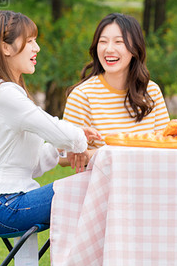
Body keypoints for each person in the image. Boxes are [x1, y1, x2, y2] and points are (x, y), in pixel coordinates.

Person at [0, 10, 100, 234]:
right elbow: (52, 127)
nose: (37, 48)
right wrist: (77, 139)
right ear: (6, 47)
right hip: (5, 205)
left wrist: (66, 145)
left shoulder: (6, 91)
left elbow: (32, 165)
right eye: (30, 41)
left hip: (10, 201)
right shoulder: (3, 93)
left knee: (95, 188)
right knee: (96, 187)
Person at [62, 13, 170, 166]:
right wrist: (115, 152)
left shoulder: (151, 91)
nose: (109, 49)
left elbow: (168, 144)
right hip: (102, 184)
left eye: (119, 42)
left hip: (149, 181)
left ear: (135, 49)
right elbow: (63, 156)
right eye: (103, 42)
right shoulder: (82, 95)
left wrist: (105, 152)